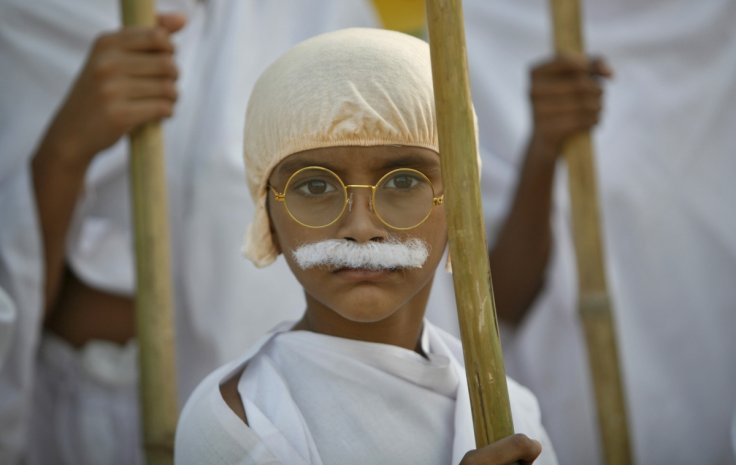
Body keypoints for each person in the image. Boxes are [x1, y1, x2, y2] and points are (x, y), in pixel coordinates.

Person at [0, 1, 379, 463]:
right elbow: (13, 281)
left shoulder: (323, 15)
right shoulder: (26, 16)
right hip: (87, 417)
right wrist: (64, 151)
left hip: (265, 410)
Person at [176, 27, 558, 465]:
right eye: (316, 184)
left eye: (403, 181)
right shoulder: (240, 419)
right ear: (269, 219)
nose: (360, 226)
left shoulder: (511, 412)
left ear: (460, 209)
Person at [424, 0, 736, 463]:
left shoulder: (716, 23)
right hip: (568, 401)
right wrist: (544, 149)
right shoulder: (467, 27)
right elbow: (494, 302)